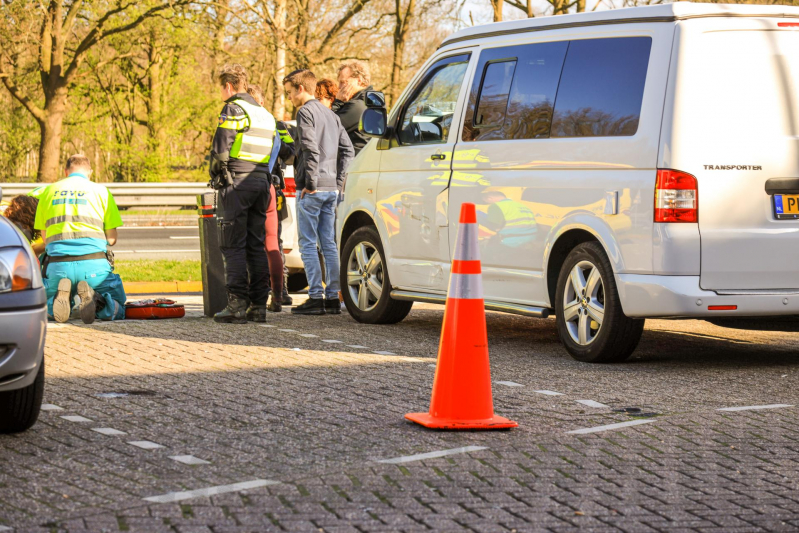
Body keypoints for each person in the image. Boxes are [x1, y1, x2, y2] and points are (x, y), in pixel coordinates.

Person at [209, 64, 281, 324]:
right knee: (256, 244)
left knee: (233, 245)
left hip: (237, 182)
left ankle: (237, 305)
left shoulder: (233, 108)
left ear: (228, 86)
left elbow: (220, 150)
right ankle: (259, 305)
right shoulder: (264, 113)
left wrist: (215, 174)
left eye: (221, 87)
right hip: (261, 182)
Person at [283, 69, 354, 315]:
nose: (289, 98)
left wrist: (311, 183)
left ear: (301, 89)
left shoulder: (305, 112)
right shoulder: (331, 115)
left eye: (290, 92)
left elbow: (311, 150)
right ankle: (333, 297)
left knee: (308, 244)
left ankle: (315, 296)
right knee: (329, 244)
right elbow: (348, 150)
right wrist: (338, 181)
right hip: (330, 189)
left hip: (312, 189)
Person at [33, 154, 126, 324]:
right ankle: (98, 302)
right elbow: (111, 239)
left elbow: (46, 240)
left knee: (40, 308)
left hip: (57, 266)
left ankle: (55, 304)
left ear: (66, 171)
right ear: (89, 172)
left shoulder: (48, 192)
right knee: (119, 305)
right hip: (94, 266)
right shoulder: (101, 191)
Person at [244, 83, 291, 310]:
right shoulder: (276, 123)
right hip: (271, 187)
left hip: (247, 186)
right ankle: (279, 296)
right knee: (272, 244)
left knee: (247, 244)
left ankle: (253, 298)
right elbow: (291, 150)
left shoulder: (243, 121)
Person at [334, 60, 373, 155]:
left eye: (343, 82)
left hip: (354, 163)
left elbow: (328, 128)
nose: (339, 87)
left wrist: (337, 102)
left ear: (359, 80)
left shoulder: (358, 105)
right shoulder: (371, 99)